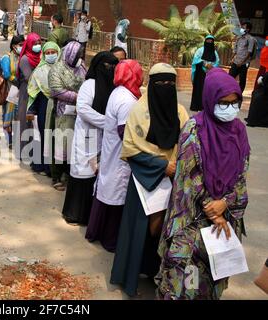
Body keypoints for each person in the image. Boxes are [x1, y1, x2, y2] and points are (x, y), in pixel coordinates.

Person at [156, 68, 250, 300]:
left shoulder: (239, 131)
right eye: (223, 102)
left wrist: (225, 203)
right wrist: (213, 208)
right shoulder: (194, 129)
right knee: (187, 285)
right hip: (192, 224)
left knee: (210, 283)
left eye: (234, 103)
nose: (230, 108)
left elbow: (241, 174)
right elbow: (189, 178)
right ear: (210, 100)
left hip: (222, 223)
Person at [110, 63, 190, 297]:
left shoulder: (180, 112)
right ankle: (131, 277)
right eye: (160, 83)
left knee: (165, 230)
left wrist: (176, 166)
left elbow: (189, 143)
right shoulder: (139, 111)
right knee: (139, 230)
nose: (165, 87)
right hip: (144, 181)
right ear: (151, 84)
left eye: (170, 83)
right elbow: (130, 148)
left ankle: (160, 276)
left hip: (174, 178)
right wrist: (162, 165)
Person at [86, 59, 143, 251]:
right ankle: (111, 240)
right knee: (115, 195)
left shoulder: (119, 92)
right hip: (120, 153)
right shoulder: (126, 99)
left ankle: (98, 232)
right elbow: (124, 131)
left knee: (106, 190)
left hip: (113, 150)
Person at [62, 52, 120, 225]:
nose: (110, 70)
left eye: (113, 67)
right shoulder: (90, 84)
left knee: (97, 174)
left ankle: (91, 217)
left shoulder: (113, 87)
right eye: (107, 66)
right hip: (87, 134)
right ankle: (74, 213)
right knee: (82, 173)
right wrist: (107, 122)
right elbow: (83, 109)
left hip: (103, 138)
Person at [48, 41, 87, 191]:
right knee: (60, 143)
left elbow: (87, 81)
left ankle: (68, 173)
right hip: (62, 112)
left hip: (78, 112)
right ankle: (56, 176)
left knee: (73, 143)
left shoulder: (81, 66)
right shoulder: (57, 69)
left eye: (80, 55)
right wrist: (78, 96)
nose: (79, 57)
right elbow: (56, 90)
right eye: (77, 55)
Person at [27, 41, 62, 175]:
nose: (51, 55)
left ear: (58, 53)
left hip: (60, 107)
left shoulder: (63, 70)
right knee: (42, 135)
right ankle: (41, 165)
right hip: (43, 106)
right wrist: (31, 110)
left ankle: (55, 170)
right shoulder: (39, 71)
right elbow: (33, 93)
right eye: (48, 53)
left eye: (53, 52)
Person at [15, 33, 42, 160]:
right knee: (25, 120)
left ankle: (34, 153)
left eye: (39, 43)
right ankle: (24, 151)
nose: (37, 46)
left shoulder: (40, 57)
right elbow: (29, 77)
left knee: (35, 123)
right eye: (34, 44)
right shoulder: (25, 59)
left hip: (38, 92)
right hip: (26, 92)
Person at [1, 35, 25, 148]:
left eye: (23, 45)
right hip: (10, 91)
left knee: (19, 117)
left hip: (21, 92)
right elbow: (6, 74)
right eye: (20, 45)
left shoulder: (23, 57)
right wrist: (16, 80)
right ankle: (9, 139)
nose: (22, 47)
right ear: (14, 46)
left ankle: (17, 139)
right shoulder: (7, 57)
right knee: (9, 116)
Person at [190, 35, 220, 111]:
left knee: (208, 90)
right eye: (208, 40)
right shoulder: (200, 50)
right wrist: (205, 64)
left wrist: (212, 67)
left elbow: (217, 62)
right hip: (200, 73)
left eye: (211, 41)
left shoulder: (215, 52)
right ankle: (196, 106)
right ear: (205, 41)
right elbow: (195, 60)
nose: (209, 42)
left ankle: (206, 106)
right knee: (199, 89)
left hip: (210, 73)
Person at [229, 22, 256, 93]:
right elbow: (235, 50)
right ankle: (228, 91)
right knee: (230, 77)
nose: (242, 29)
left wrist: (242, 62)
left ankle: (240, 93)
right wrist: (231, 58)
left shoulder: (251, 39)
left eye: (244, 27)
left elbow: (249, 52)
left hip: (244, 63)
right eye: (242, 27)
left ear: (248, 29)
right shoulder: (239, 37)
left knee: (242, 79)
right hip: (236, 61)